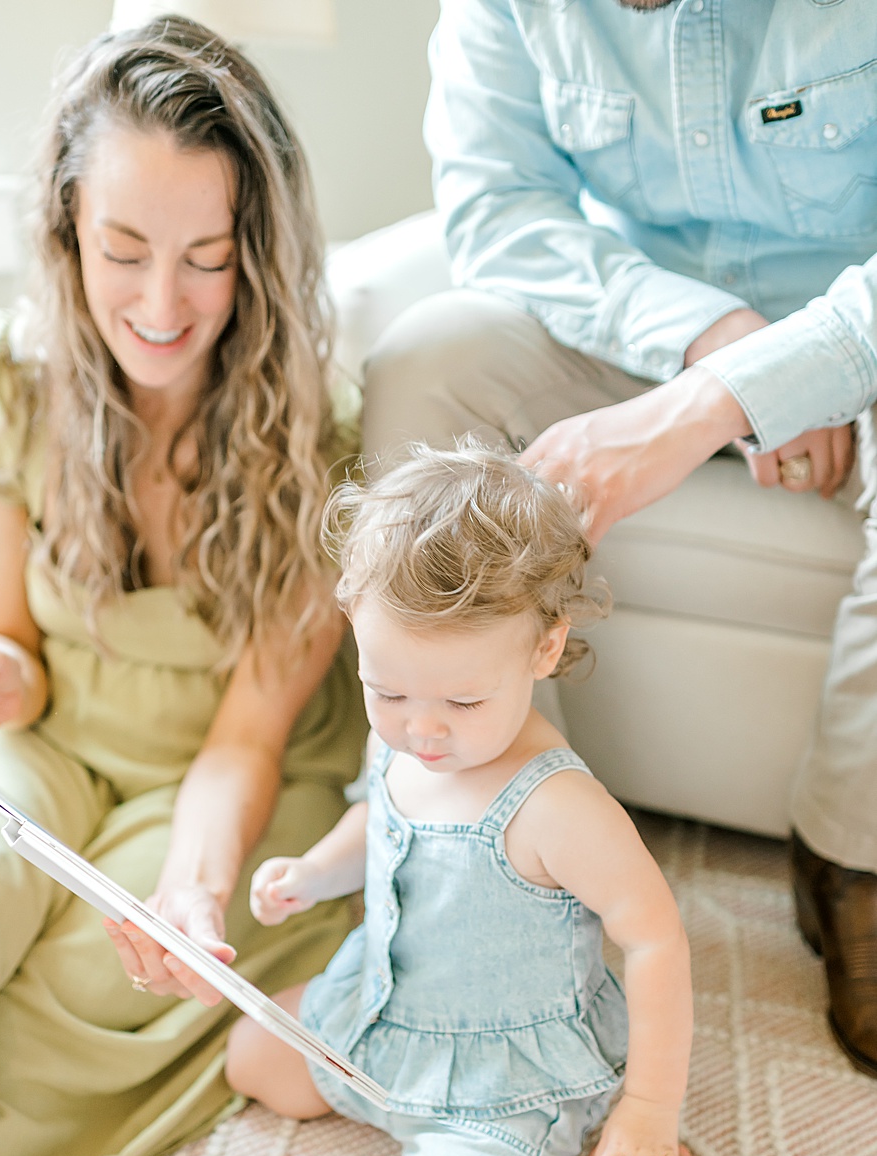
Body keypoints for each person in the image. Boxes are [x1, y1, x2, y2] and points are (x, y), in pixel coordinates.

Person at [0, 16, 368, 1156]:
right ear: (67, 232)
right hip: (59, 740)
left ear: (258, 257)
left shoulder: (316, 431)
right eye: (123, 251)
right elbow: (12, 652)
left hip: (232, 781)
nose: (161, 305)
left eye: (206, 260)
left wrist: (192, 889)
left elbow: (245, 738)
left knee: (91, 980)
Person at [362, 0, 877, 1073]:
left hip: (853, 331)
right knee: (426, 358)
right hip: (650, 320)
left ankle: (848, 857)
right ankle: (480, 819)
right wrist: (708, 341)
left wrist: (746, 388)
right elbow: (500, 209)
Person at [230, 446, 711, 1156]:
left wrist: (649, 1112)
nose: (423, 729)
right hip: (382, 1022)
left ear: (546, 646)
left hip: (500, 1083)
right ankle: (388, 1101)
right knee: (250, 1061)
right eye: (388, 690)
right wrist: (313, 874)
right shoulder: (412, 738)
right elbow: (377, 821)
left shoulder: (558, 807)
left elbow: (656, 940)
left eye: (461, 700)